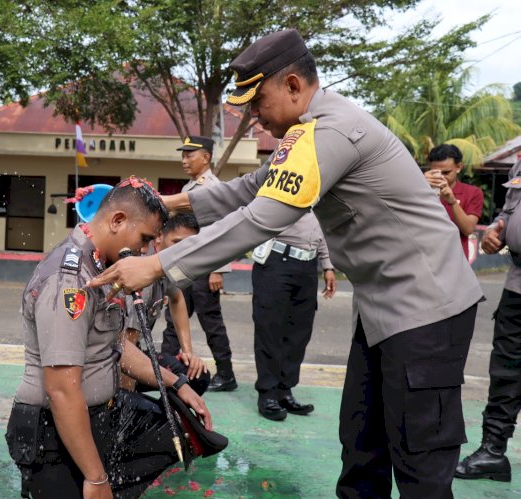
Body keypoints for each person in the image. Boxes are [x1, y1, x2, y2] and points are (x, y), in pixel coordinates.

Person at [89, 29, 484, 498]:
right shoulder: (306, 131)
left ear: (294, 86)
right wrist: (164, 204)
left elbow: (261, 219)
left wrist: (156, 267)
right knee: (362, 447)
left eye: (258, 102)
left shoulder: (331, 133)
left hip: (427, 311)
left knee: (420, 462)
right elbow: (253, 186)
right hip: (382, 312)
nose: (254, 117)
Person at [6, 177, 219, 499]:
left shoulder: (100, 267)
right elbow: (62, 390)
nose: (145, 250)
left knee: (184, 433)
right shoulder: (71, 280)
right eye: (144, 239)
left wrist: (177, 384)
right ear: (118, 220)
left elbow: (117, 346)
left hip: (94, 416)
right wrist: (95, 478)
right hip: (51, 432)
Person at [455, 156, 521, 482]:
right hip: (517, 286)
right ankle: (493, 451)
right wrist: (496, 232)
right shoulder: (520, 163)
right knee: (506, 370)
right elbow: (508, 211)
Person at [161, 136, 236, 392]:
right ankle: (166, 366)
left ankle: (226, 374)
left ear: (206, 157)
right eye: (182, 155)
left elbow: (223, 231)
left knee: (211, 322)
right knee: (174, 319)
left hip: (204, 269)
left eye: (189, 155)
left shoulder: (214, 188)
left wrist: (217, 269)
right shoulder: (189, 187)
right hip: (184, 268)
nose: (184, 160)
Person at [251, 210, 336, 421]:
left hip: (307, 266)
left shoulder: (321, 192)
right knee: (270, 329)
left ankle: (284, 390)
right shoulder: (284, 184)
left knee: (299, 332)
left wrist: (327, 265)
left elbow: (320, 230)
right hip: (277, 261)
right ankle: (267, 394)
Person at [121, 213, 210, 395]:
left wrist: (188, 352)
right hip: (113, 362)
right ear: (160, 236)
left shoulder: (167, 265)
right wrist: (126, 402)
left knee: (197, 374)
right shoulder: (145, 272)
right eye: (177, 243)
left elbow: (177, 298)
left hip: (134, 352)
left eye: (190, 246)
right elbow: (125, 349)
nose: (183, 251)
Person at [424, 144, 483, 259]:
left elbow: (468, 229)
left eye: (446, 173)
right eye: (436, 172)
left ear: (459, 167)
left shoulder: (472, 192)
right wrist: (420, 184)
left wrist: (453, 202)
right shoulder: (420, 188)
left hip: (455, 260)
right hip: (424, 258)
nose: (441, 177)